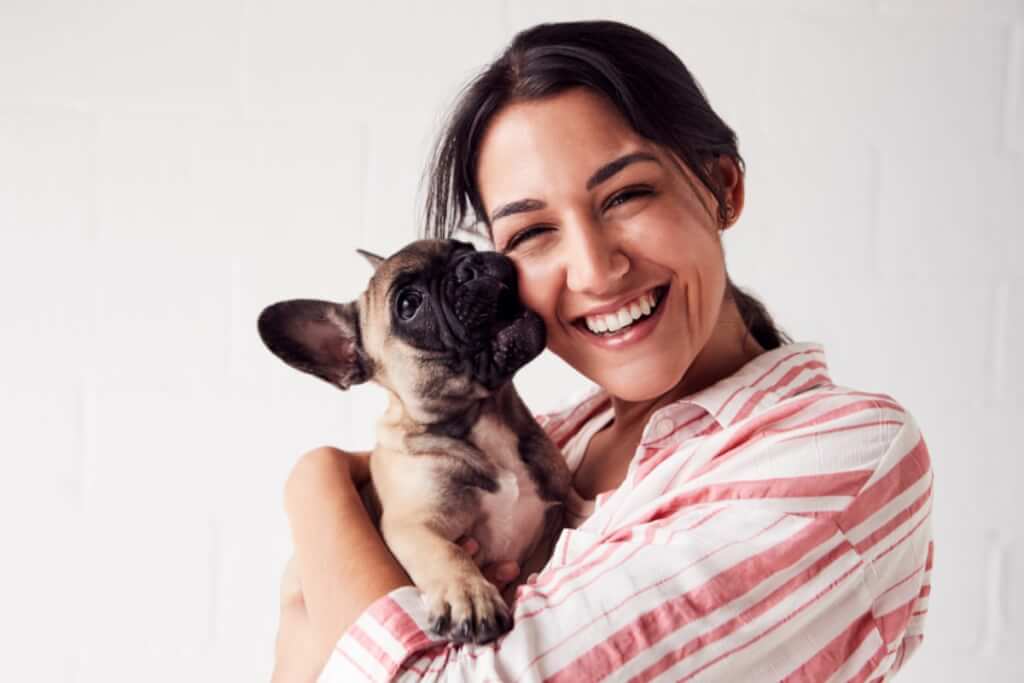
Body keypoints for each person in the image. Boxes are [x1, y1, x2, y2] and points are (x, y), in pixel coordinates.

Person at [272, 21, 933, 682]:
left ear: (723, 186)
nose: (592, 269)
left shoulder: (838, 453)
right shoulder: (556, 438)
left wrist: (317, 483)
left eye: (625, 195)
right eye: (532, 231)